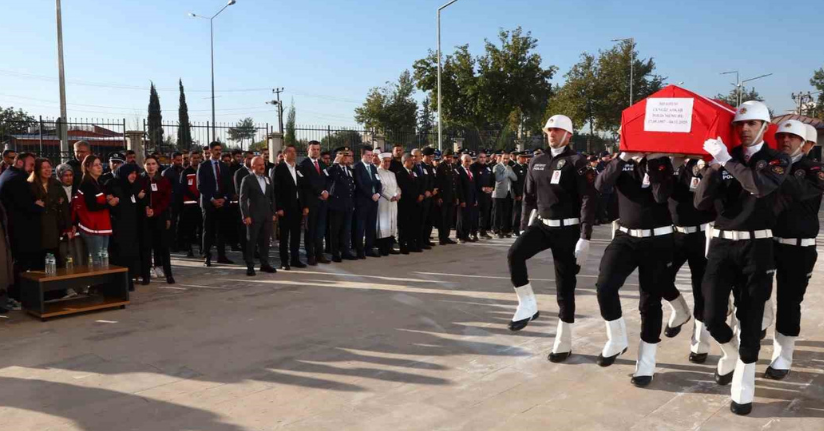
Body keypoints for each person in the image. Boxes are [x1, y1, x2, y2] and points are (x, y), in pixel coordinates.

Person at [694, 100, 790, 415]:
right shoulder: (726, 157)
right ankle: (730, 352)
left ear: (764, 127)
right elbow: (701, 203)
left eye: (751, 124)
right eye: (740, 125)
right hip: (721, 246)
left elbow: (758, 186)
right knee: (710, 316)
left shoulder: (777, 160)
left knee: (750, 319)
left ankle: (744, 383)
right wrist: (712, 166)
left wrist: (725, 160)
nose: (745, 129)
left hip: (757, 249)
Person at [507, 115, 596, 364]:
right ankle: (527, 305)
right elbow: (528, 197)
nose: (551, 134)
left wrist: (585, 237)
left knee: (564, 288)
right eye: (549, 130)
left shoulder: (578, 162)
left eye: (556, 130)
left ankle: (564, 342)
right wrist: (524, 226)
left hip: (568, 231)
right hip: (542, 225)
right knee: (515, 254)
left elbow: (589, 199)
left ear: (568, 134)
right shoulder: (537, 160)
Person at [594, 145, 682, 387]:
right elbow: (601, 185)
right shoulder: (623, 162)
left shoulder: (664, 162)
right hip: (625, 236)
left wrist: (654, 161)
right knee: (605, 285)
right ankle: (617, 339)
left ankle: (647, 361)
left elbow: (660, 195)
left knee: (650, 301)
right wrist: (622, 157)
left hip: (658, 239)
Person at [762, 120, 823, 381]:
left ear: (806, 144)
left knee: (789, 303)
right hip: (767, 242)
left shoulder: (814, 169)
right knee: (754, 292)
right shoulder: (772, 165)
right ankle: (763, 318)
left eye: (792, 137)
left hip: (798, 249)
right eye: (781, 136)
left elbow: (799, 192)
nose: (785, 141)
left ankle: (783, 355)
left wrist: (776, 168)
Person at [662, 156, 716, 364]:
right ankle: (680, 310)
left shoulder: (707, 163)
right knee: (659, 277)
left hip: (703, 234)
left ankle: (700, 344)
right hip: (674, 234)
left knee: (701, 290)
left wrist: (704, 167)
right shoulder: (668, 163)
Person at [0, 152, 43, 305]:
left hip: (16, 228)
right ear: (19, 163)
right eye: (31, 165)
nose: (33, 169)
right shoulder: (16, 179)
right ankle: (19, 296)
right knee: (22, 264)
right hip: (21, 230)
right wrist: (37, 205)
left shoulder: (8, 174)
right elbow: (26, 205)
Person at [138, 156, 174, 284]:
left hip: (160, 217)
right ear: (144, 165)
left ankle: (168, 274)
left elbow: (166, 200)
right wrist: (145, 207)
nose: (151, 166)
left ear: (157, 166)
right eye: (148, 164)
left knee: (163, 247)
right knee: (146, 247)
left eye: (153, 164)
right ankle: (146, 276)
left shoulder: (163, 180)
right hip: (145, 218)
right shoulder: (140, 179)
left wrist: (156, 211)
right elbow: (137, 197)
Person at [28, 158, 71, 267]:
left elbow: (64, 206)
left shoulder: (56, 184)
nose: (47, 170)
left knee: (54, 253)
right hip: (38, 225)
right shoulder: (30, 185)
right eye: (44, 168)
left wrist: (68, 226)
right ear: (37, 170)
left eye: (49, 167)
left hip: (54, 224)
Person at [239, 156, 278, 276]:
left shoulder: (268, 179)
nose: (263, 166)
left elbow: (272, 197)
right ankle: (250, 266)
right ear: (253, 166)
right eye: (259, 164)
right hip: (253, 216)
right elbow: (243, 199)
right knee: (251, 242)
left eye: (263, 164)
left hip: (267, 216)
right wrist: (245, 215)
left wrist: (273, 212)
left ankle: (264, 264)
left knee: (265, 242)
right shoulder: (247, 179)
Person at [107, 163, 142, 291]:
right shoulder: (113, 185)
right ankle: (121, 284)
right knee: (120, 255)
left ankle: (129, 281)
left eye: (135, 173)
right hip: (119, 228)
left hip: (131, 228)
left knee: (130, 255)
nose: (134, 176)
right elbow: (111, 205)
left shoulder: (131, 187)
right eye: (131, 173)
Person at [76, 155, 116, 265]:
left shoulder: (98, 182)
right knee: (97, 260)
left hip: (102, 226)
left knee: (103, 257)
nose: (99, 167)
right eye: (95, 165)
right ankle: (97, 282)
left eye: (100, 164)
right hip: (92, 227)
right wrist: (109, 203)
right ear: (88, 167)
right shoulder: (87, 184)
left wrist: (108, 198)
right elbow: (91, 206)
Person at [197, 141, 233, 267]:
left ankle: (221, 256)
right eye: (216, 149)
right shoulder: (203, 166)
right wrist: (212, 199)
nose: (219, 152)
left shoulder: (224, 166)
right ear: (211, 151)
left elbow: (229, 185)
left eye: (220, 149)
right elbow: (201, 185)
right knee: (208, 230)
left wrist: (224, 198)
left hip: (222, 203)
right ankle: (206, 256)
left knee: (221, 230)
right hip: (209, 203)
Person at [299, 141, 331, 265]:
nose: (316, 151)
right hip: (311, 203)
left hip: (323, 203)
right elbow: (307, 183)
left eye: (318, 149)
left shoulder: (322, 164)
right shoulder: (303, 165)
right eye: (313, 149)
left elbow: (327, 179)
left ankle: (319, 254)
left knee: (320, 231)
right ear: (308, 150)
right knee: (310, 231)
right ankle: (310, 255)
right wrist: (321, 192)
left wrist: (327, 191)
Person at [272, 144, 304, 269]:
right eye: (290, 152)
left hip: (297, 206)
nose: (293, 154)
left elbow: (302, 189)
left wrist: (304, 206)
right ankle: (284, 261)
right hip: (285, 208)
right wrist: (278, 208)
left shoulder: (299, 168)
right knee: (284, 236)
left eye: (294, 151)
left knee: (296, 235)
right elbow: (275, 190)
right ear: (284, 154)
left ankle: (295, 259)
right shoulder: (279, 169)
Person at [326, 147, 357, 262]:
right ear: (337, 156)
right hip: (336, 204)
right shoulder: (334, 168)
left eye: (347, 155)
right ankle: (335, 253)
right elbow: (329, 176)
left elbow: (351, 187)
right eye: (343, 155)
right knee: (335, 230)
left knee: (346, 230)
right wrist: (335, 163)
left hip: (348, 204)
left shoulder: (348, 169)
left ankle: (345, 251)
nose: (345, 157)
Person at [353, 145, 382, 258]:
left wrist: (378, 194)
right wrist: (371, 195)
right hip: (362, 202)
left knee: (371, 226)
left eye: (372, 155)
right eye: (368, 155)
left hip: (374, 202)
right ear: (362, 155)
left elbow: (379, 183)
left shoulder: (374, 168)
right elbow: (360, 185)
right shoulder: (357, 167)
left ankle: (369, 249)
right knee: (360, 227)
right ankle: (360, 250)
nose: (370, 157)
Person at [396, 153, 423, 254]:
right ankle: (403, 245)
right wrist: (416, 196)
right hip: (405, 204)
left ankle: (411, 244)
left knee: (413, 225)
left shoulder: (413, 172)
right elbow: (405, 188)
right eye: (411, 160)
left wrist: (420, 194)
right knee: (404, 225)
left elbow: (418, 185)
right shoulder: (400, 173)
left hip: (415, 204)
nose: (413, 162)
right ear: (405, 161)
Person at [179, 150, 203, 257]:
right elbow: (183, 188)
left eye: (198, 157)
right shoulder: (185, 172)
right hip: (189, 205)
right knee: (189, 229)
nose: (196, 159)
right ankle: (189, 249)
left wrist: (201, 198)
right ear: (190, 159)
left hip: (201, 204)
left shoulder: (203, 170)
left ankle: (203, 250)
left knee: (202, 228)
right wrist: (196, 198)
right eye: (194, 157)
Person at [376, 152, 400, 255]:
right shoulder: (377, 172)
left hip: (393, 203)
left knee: (392, 224)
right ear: (381, 161)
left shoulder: (392, 173)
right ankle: (382, 248)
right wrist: (391, 196)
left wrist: (398, 194)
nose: (387, 163)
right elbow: (381, 187)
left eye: (389, 161)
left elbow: (397, 187)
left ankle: (390, 247)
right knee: (383, 225)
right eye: (385, 161)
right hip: (384, 202)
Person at [435, 149, 459, 245]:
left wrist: (456, 197)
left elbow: (455, 184)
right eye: (447, 157)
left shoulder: (454, 166)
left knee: (449, 218)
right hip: (443, 197)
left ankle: (447, 236)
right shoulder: (440, 167)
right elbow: (438, 183)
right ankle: (442, 237)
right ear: (443, 157)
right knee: (443, 218)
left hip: (452, 196)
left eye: (450, 157)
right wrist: (439, 197)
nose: (449, 158)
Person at [492, 152, 518, 238]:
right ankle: (496, 230)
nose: (506, 160)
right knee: (497, 213)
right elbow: (498, 178)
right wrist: (507, 173)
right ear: (501, 158)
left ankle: (504, 230)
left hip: (508, 193)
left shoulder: (509, 167)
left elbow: (515, 178)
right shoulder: (497, 167)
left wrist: (508, 173)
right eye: (504, 158)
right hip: (498, 193)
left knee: (505, 213)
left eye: (507, 158)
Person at [162, 152, 184, 252]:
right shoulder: (167, 172)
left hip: (182, 202)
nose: (180, 162)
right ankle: (171, 244)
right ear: (173, 160)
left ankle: (181, 243)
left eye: (181, 160)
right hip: (171, 203)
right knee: (172, 224)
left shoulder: (183, 171)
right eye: (177, 160)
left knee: (181, 224)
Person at [233, 152, 254, 256]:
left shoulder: (256, 172)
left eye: (253, 158)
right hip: (245, 206)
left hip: (256, 206)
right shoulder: (239, 172)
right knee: (244, 230)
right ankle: (246, 253)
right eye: (249, 158)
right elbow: (239, 191)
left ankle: (254, 250)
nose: (251, 161)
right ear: (244, 159)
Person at [471, 151, 494, 239]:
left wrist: (492, 187)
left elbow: (492, 178)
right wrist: (481, 188)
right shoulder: (473, 167)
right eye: (481, 157)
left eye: (484, 157)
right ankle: (473, 232)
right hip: (477, 194)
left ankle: (482, 232)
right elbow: (473, 181)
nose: (483, 159)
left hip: (487, 195)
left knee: (484, 214)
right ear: (477, 158)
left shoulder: (488, 167)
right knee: (475, 214)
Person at [456, 154, 478, 243]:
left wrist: (475, 198)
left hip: (471, 198)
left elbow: (473, 185)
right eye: (466, 161)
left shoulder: (470, 170)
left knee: (469, 218)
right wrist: (462, 200)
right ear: (462, 161)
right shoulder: (459, 171)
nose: (468, 163)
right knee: (461, 218)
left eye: (470, 161)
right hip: (463, 198)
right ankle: (460, 236)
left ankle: (466, 235)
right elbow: (459, 187)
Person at [419, 148, 439, 246]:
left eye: (432, 157)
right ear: (423, 156)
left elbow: (434, 180)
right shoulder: (420, 167)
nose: (431, 158)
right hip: (424, 198)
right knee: (423, 219)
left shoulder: (431, 167)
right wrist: (424, 192)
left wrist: (435, 189)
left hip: (431, 197)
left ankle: (426, 239)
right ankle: (421, 240)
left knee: (430, 219)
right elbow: (420, 182)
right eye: (429, 156)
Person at [511, 151, 528, 236]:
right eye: (523, 157)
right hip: (518, 193)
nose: (525, 159)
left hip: (525, 193)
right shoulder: (514, 168)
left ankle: (523, 228)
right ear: (518, 158)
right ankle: (515, 229)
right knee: (517, 212)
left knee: (524, 212)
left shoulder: (526, 167)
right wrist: (517, 194)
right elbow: (514, 183)